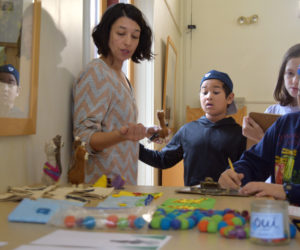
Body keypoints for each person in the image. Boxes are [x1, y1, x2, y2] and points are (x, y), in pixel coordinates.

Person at [73, 3, 160, 185]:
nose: (128, 42)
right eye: (121, 34)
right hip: (101, 186)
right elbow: (84, 139)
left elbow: (117, 128)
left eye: (134, 36)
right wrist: (121, 135)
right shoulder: (96, 73)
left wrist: (143, 132)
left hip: (123, 182)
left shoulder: (122, 77)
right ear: (106, 33)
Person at [139, 70, 247, 186]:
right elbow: (162, 160)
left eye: (215, 92)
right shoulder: (187, 130)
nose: (209, 97)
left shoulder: (239, 134)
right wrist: (134, 146)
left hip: (227, 199)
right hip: (192, 200)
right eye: (204, 92)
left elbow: (246, 171)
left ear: (229, 98)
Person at [218, 109, 300, 205]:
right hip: (280, 215)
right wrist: (235, 175)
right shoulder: (286, 123)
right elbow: (253, 162)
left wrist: (286, 191)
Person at [243, 44, 300, 143]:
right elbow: (256, 154)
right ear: (282, 75)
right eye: (290, 73)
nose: (295, 81)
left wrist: (262, 139)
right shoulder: (272, 112)